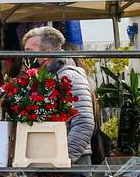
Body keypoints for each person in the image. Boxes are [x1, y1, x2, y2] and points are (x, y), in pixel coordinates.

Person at [21, 25, 98, 164]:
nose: (26, 57)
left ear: (48, 53)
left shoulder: (68, 76)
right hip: (54, 161)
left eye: (30, 51)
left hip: (71, 166)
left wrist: (64, 159)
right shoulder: (49, 76)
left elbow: (84, 123)